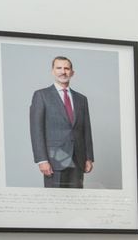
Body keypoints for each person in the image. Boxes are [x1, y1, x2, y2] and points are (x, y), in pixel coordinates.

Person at [29, 56, 94, 189]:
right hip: (54, 160)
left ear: (72, 72)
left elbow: (86, 129)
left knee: (76, 204)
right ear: (53, 71)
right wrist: (42, 160)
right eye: (59, 68)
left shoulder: (81, 99)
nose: (63, 71)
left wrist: (89, 157)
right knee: (55, 205)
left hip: (78, 159)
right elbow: (36, 130)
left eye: (66, 68)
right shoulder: (41, 95)